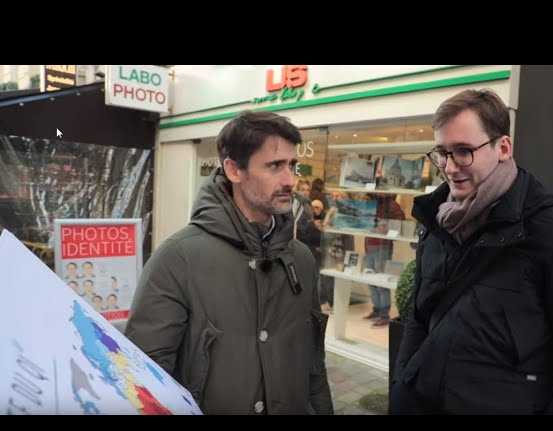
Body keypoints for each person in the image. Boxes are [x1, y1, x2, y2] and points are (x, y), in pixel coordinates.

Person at [390, 88, 553, 415]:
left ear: (503, 147)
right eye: (442, 152)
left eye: (464, 151)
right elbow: (418, 320)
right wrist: (401, 386)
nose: (450, 167)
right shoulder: (436, 221)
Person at [125, 110, 334, 415]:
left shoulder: (300, 259)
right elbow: (146, 384)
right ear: (234, 170)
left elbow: (314, 365)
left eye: (292, 165)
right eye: (275, 166)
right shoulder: (177, 259)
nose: (290, 180)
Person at [362, 193, 405, 328]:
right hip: (370, 246)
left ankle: (384, 315)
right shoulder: (373, 204)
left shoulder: (390, 204)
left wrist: (387, 228)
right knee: (370, 281)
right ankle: (377, 309)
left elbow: (400, 220)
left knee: (382, 282)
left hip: (382, 247)